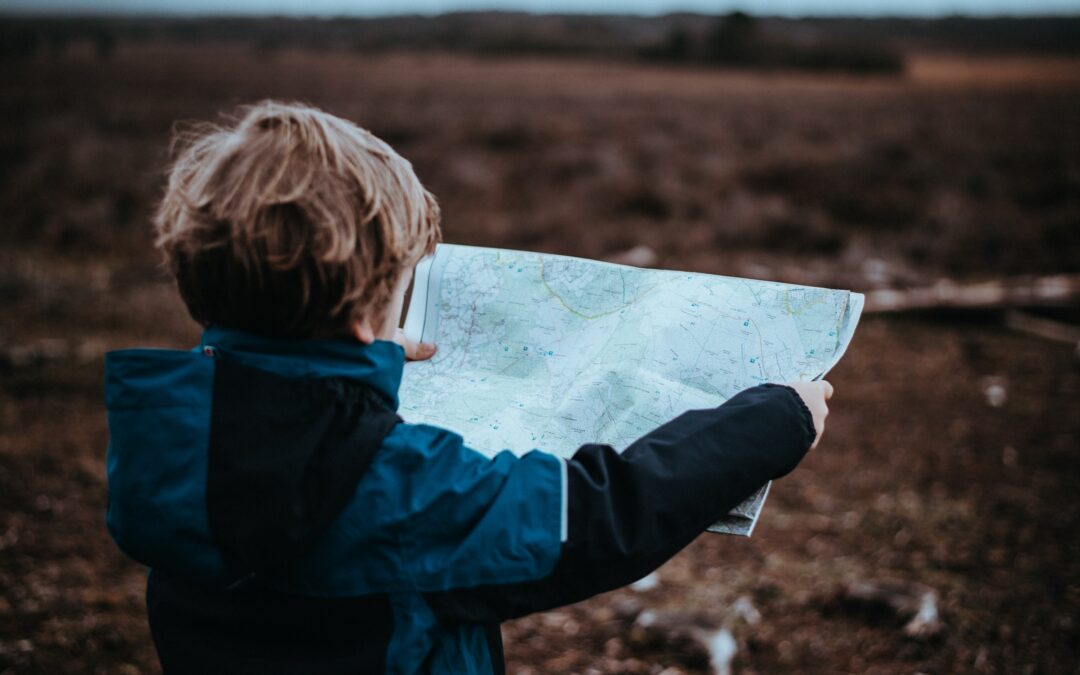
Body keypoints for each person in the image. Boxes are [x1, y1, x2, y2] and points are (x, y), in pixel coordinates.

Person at [104, 100, 833, 675]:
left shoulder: (163, 444)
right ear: (365, 312)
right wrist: (771, 422)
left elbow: (278, 417)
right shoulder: (403, 489)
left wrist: (361, 365)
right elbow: (595, 518)